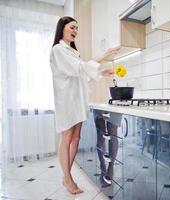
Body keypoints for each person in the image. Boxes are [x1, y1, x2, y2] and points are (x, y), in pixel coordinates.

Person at [49, 16, 119, 195]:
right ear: (62, 28)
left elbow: (82, 72)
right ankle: (68, 178)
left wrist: (102, 68)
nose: (75, 31)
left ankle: (66, 175)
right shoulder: (58, 50)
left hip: (78, 100)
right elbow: (79, 68)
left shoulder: (73, 52)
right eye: (72, 27)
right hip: (67, 101)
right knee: (67, 137)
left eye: (77, 29)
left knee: (76, 138)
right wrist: (103, 60)